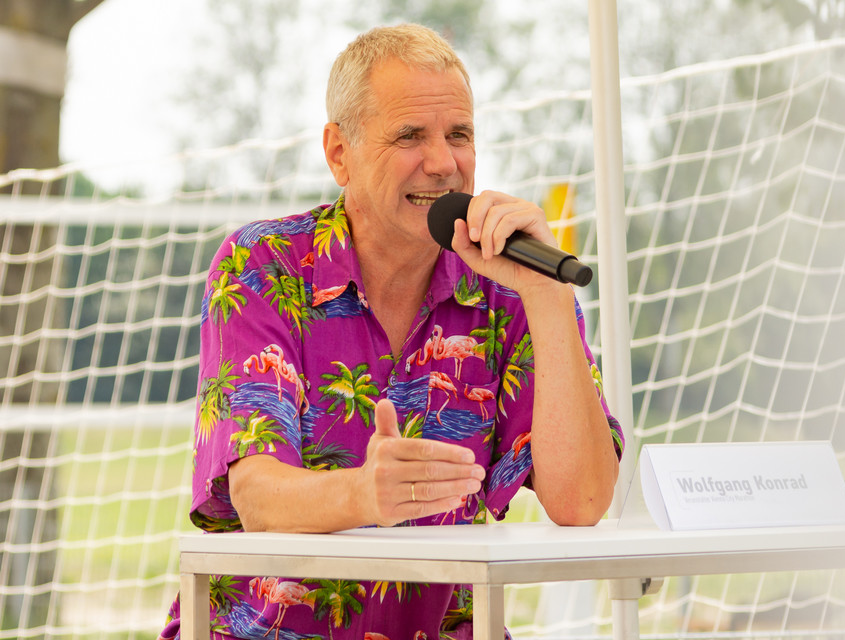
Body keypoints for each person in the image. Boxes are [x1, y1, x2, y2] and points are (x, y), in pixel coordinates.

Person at [160, 23, 622, 640]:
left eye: (459, 135)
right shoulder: (262, 264)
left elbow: (583, 502)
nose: (444, 164)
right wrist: (365, 494)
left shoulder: (513, 286)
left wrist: (548, 295)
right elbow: (258, 497)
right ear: (339, 153)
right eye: (410, 136)